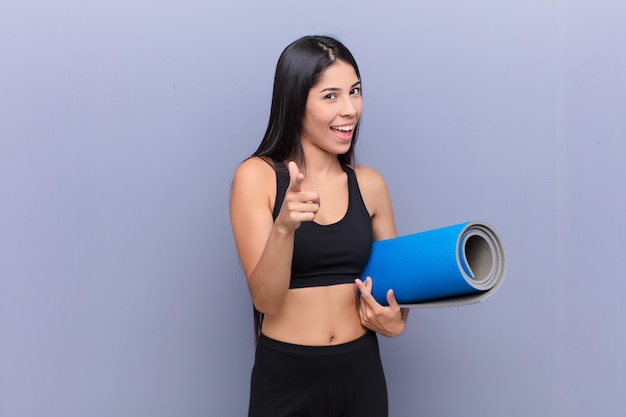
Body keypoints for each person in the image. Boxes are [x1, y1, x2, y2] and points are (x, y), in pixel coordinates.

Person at [229, 35, 409, 417]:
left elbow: (398, 287)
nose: (350, 109)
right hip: (287, 377)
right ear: (296, 103)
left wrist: (396, 320)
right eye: (331, 96)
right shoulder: (255, 177)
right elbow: (266, 302)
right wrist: (284, 228)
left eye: (355, 92)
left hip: (361, 371)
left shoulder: (370, 184)